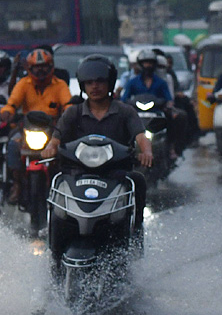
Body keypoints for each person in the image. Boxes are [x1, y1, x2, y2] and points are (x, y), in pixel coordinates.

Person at [42, 55, 151, 266]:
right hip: (77, 174)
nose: (95, 87)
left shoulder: (125, 112)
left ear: (109, 84)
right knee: (55, 181)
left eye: (100, 81)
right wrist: (49, 149)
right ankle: (53, 247)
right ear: (83, 85)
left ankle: (135, 234)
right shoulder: (73, 112)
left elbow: (141, 136)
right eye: (90, 82)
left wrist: (146, 152)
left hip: (115, 175)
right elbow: (56, 138)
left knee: (138, 181)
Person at [0, 47, 72, 204]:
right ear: (30, 68)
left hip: (52, 129)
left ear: (51, 66)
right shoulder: (23, 83)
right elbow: (12, 102)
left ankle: (64, 185)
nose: (40, 70)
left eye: (43, 66)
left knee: (66, 150)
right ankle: (17, 184)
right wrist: (7, 111)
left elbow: (68, 104)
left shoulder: (60, 85)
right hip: (27, 129)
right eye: (36, 67)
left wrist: (69, 113)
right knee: (12, 144)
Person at [121, 48, 186, 159]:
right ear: (140, 64)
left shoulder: (161, 82)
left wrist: (166, 105)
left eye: (150, 62)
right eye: (145, 62)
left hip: (156, 113)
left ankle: (171, 147)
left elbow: (168, 98)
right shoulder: (132, 82)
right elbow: (124, 98)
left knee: (172, 119)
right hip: (137, 113)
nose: (148, 65)